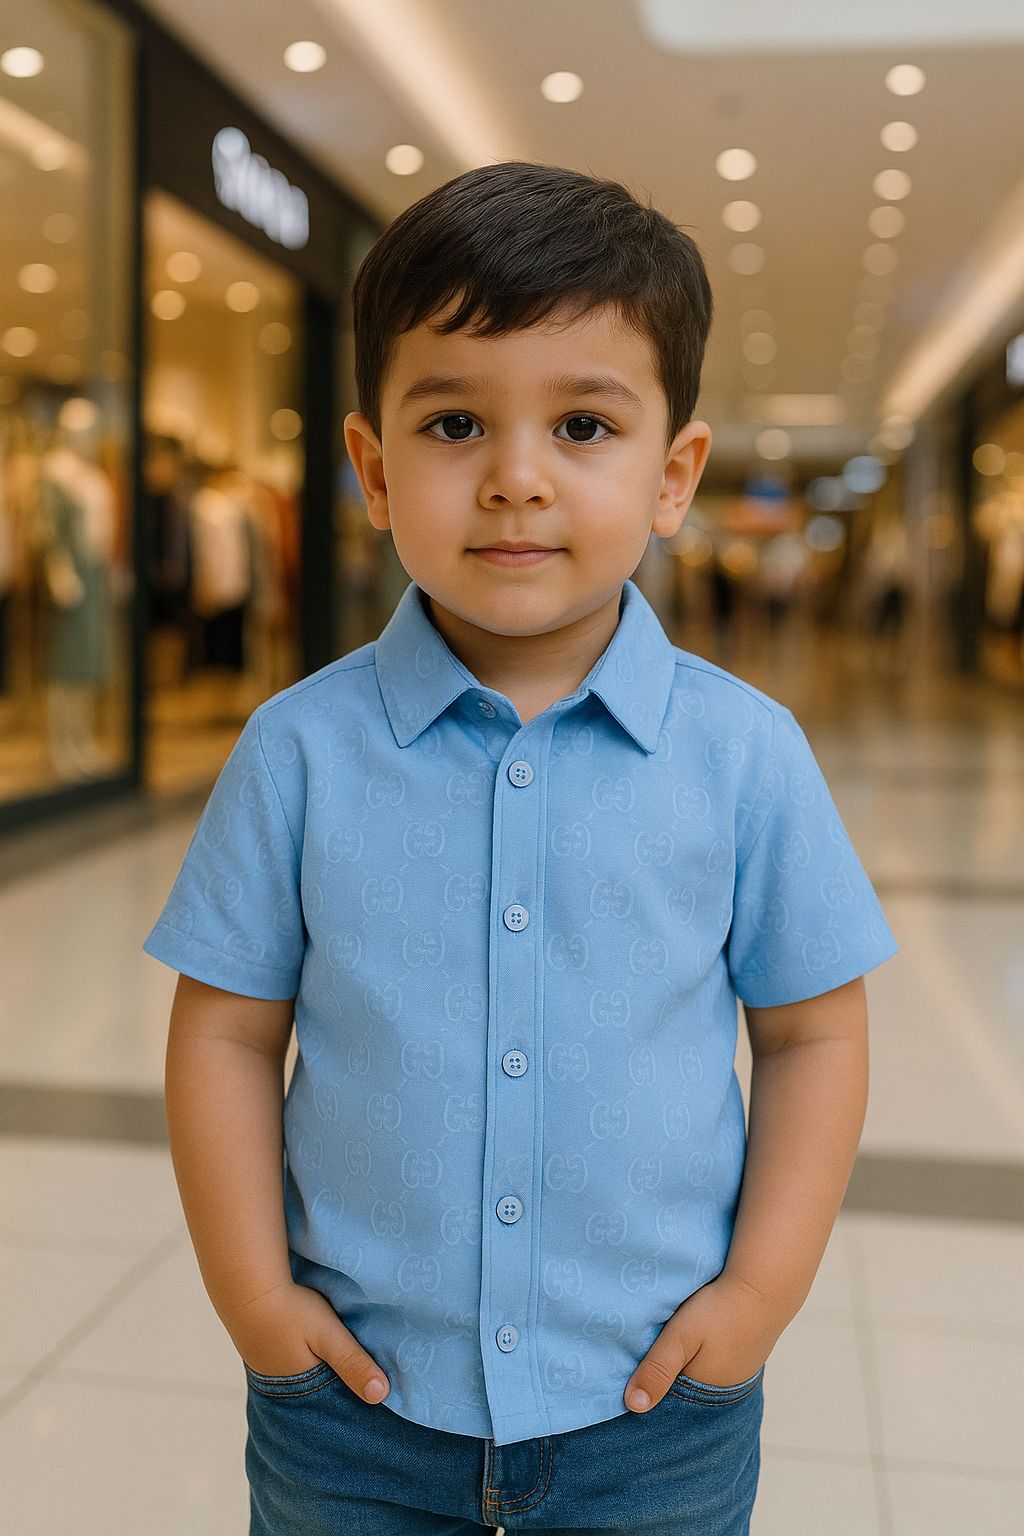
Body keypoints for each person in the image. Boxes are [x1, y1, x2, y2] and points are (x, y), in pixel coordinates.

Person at [143, 161, 899, 1536]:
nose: (514, 479)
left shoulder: (744, 755)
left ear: (676, 477)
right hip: (354, 1415)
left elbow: (813, 1036)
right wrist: (256, 1302)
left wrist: (759, 1299)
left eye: (583, 425)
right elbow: (227, 1033)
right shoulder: (299, 748)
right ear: (373, 470)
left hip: (652, 1414)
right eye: (452, 423)